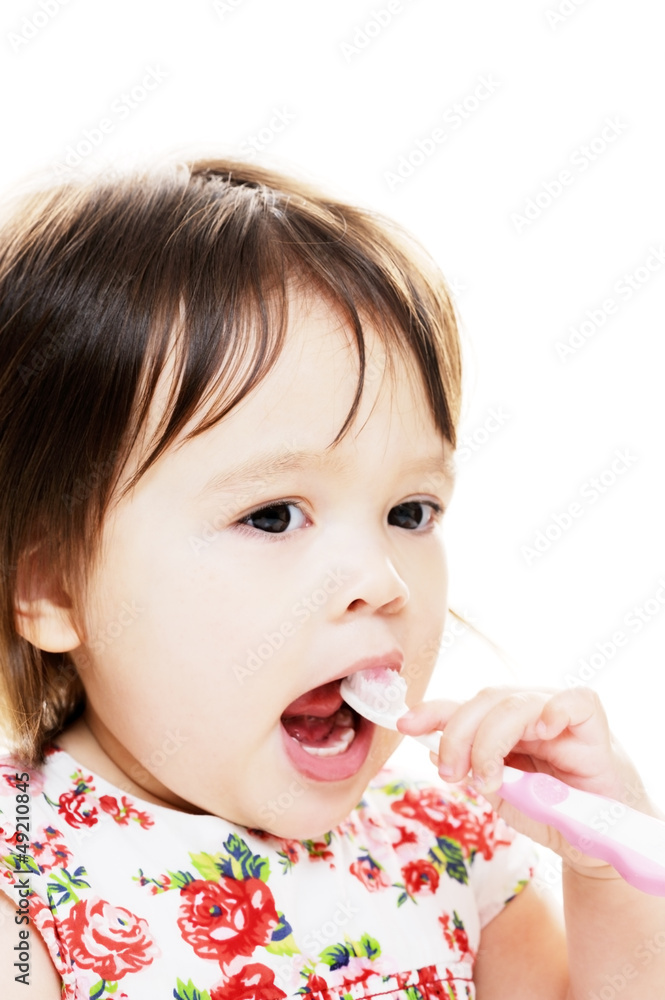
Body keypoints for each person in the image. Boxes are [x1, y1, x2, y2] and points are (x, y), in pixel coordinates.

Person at [0, 157, 662, 1000]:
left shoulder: (449, 851)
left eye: (411, 512)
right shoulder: (26, 875)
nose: (382, 581)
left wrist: (608, 867)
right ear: (53, 588)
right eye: (273, 516)